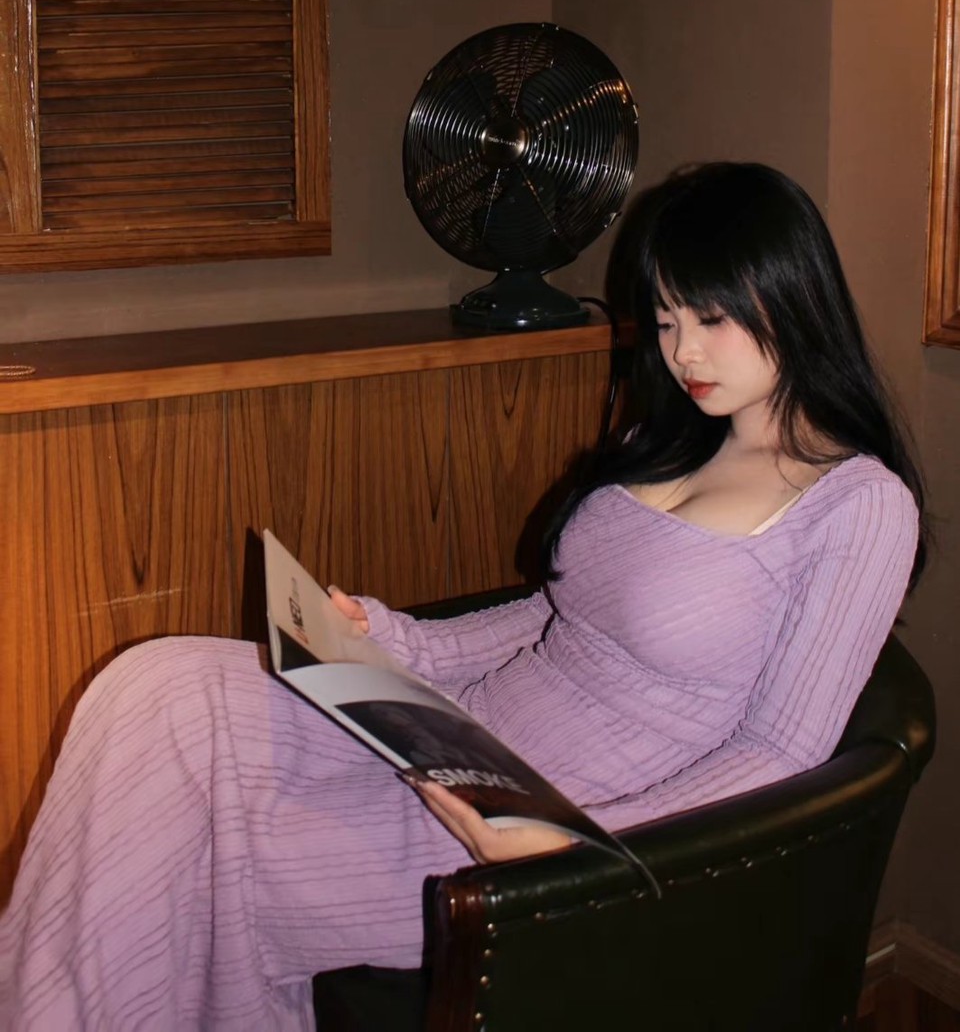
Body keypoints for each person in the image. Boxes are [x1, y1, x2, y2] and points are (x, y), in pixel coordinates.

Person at [0, 162, 924, 1031]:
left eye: (711, 318)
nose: (684, 350)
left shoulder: (857, 505)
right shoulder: (675, 437)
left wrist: (579, 849)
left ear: (789, 296)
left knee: (191, 854)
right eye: (666, 319)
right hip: (461, 732)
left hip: (553, 811)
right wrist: (390, 640)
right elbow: (561, 619)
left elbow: (781, 750)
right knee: (156, 686)